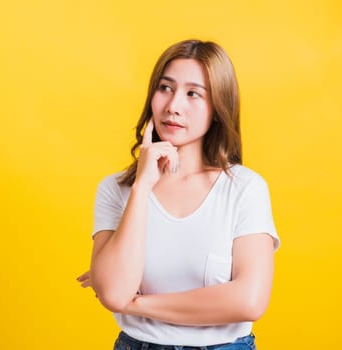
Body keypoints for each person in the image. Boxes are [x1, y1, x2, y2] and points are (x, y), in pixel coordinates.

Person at [77, 39, 280, 350]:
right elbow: (115, 292)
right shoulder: (116, 189)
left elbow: (249, 301)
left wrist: (135, 305)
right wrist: (142, 185)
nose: (173, 106)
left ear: (217, 108)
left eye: (193, 94)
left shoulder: (244, 189)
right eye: (165, 88)